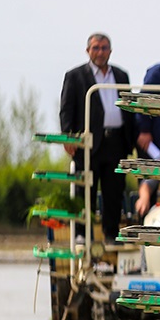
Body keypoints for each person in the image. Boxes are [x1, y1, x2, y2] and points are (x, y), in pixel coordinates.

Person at [59, 33, 135, 244]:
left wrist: (132, 139)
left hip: (116, 141)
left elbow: (128, 108)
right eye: (96, 48)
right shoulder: (75, 76)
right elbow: (66, 109)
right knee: (85, 191)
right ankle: (83, 235)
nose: (100, 52)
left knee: (114, 192)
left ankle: (111, 235)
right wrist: (68, 137)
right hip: (88, 143)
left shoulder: (120, 75)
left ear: (110, 51)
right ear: (88, 50)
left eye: (104, 48)